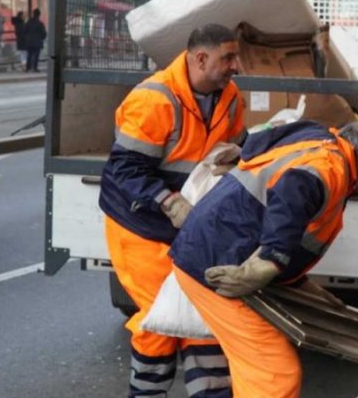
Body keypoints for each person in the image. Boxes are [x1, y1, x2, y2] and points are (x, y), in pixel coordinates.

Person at [169, 120, 358, 398]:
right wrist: (270, 260)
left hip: (213, 253)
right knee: (274, 373)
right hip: (220, 268)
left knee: (256, 368)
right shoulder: (329, 166)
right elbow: (291, 197)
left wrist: (302, 286)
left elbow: (267, 152)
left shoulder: (319, 139)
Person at [98, 24, 247, 398]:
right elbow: (125, 169)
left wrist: (237, 159)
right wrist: (169, 201)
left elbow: (235, 145)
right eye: (228, 57)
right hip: (139, 226)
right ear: (201, 59)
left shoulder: (229, 97)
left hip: (189, 225)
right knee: (161, 320)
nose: (237, 66)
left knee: (203, 315)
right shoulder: (154, 99)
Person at [24, 8, 46, 72]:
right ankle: (35, 68)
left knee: (29, 55)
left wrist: (27, 37)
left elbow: (24, 31)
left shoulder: (29, 22)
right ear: (39, 15)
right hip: (37, 42)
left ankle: (28, 68)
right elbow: (43, 33)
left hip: (29, 41)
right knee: (36, 55)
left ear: (33, 14)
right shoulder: (40, 23)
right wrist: (41, 38)